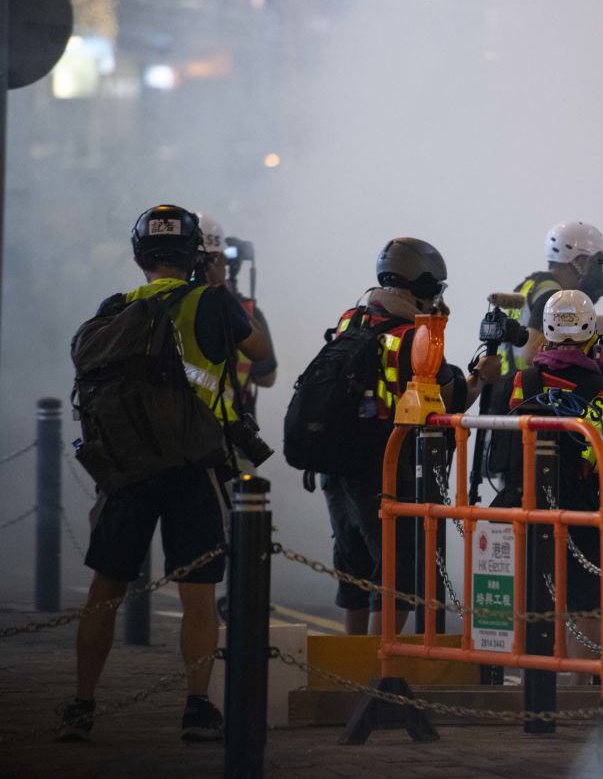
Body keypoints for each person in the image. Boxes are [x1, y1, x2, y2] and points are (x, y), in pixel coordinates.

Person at [59, 205, 269, 743]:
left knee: (104, 588)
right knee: (198, 594)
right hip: (194, 465)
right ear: (194, 253)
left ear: (137, 258)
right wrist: (216, 283)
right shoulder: (213, 303)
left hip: (127, 467)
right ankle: (197, 707)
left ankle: (82, 704)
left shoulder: (115, 306)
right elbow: (260, 356)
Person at [320, 238, 472, 635]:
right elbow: (447, 398)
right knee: (397, 570)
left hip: (335, 461)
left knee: (353, 567)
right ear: (421, 286)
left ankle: (353, 661)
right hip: (382, 465)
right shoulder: (411, 335)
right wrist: (478, 378)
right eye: (435, 288)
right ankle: (380, 666)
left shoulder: (351, 318)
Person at [489, 289, 603, 680]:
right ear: (591, 335)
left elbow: (492, 455)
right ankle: (580, 692)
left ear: (545, 334)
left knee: (526, 596)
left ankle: (524, 682)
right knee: (585, 603)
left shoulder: (515, 384)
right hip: (583, 514)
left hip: (520, 508)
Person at [195, 214, 278, 443]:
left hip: (177, 440)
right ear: (219, 260)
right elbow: (267, 377)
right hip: (234, 437)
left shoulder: (160, 306)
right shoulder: (243, 312)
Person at [496, 221, 603, 377]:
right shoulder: (552, 298)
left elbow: (577, 326)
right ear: (580, 262)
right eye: (597, 263)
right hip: (524, 391)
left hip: (505, 389)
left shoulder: (532, 286)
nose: (599, 271)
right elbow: (531, 355)